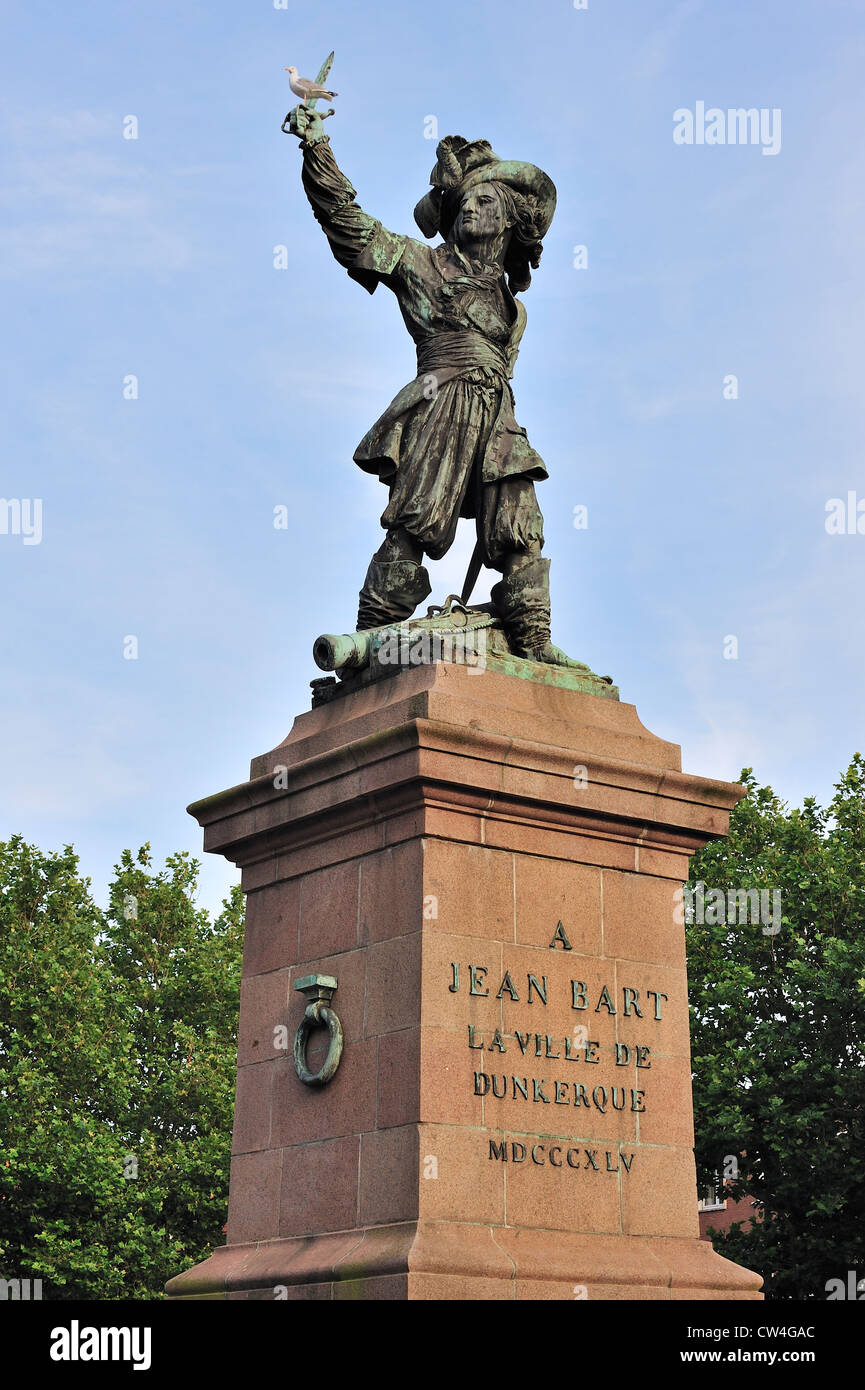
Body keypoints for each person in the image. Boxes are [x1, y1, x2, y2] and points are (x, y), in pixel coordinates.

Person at [287, 106, 585, 667]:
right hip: (440, 405)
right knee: (411, 529)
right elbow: (350, 227)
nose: (470, 207)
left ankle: (534, 645)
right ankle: (364, 657)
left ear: (510, 220)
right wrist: (316, 147)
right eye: (464, 200)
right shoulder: (420, 264)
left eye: (486, 199)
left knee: (521, 532)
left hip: (498, 420)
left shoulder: (514, 312)